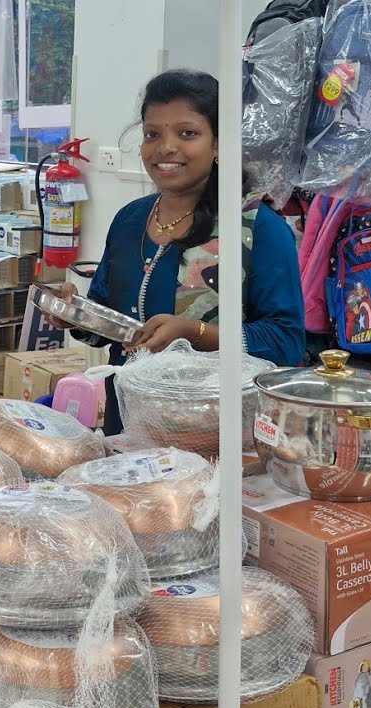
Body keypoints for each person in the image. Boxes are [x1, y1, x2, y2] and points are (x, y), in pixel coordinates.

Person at [46, 69, 305, 434]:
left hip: (217, 435)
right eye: (153, 134)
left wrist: (195, 332)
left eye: (188, 133)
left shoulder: (254, 228)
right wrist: (76, 314)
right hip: (130, 426)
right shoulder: (130, 220)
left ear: (218, 144)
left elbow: (286, 341)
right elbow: (114, 321)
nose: (166, 148)